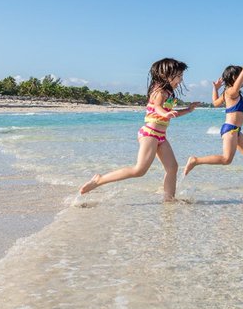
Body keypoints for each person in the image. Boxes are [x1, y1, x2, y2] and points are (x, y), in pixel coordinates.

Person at [79, 58, 201, 202]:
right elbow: (157, 107)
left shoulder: (168, 93)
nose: (180, 80)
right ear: (165, 74)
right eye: (179, 76)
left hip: (161, 136)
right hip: (150, 134)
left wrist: (188, 109)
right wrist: (165, 113)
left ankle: (169, 200)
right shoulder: (159, 91)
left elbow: (170, 113)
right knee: (139, 170)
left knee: (172, 167)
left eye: (181, 76)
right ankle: (99, 180)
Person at [184, 62, 243, 185]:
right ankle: (195, 160)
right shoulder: (230, 92)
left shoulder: (228, 93)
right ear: (235, 78)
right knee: (226, 159)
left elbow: (216, 103)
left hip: (236, 130)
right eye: (242, 77)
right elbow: (236, 87)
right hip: (230, 129)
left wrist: (215, 89)